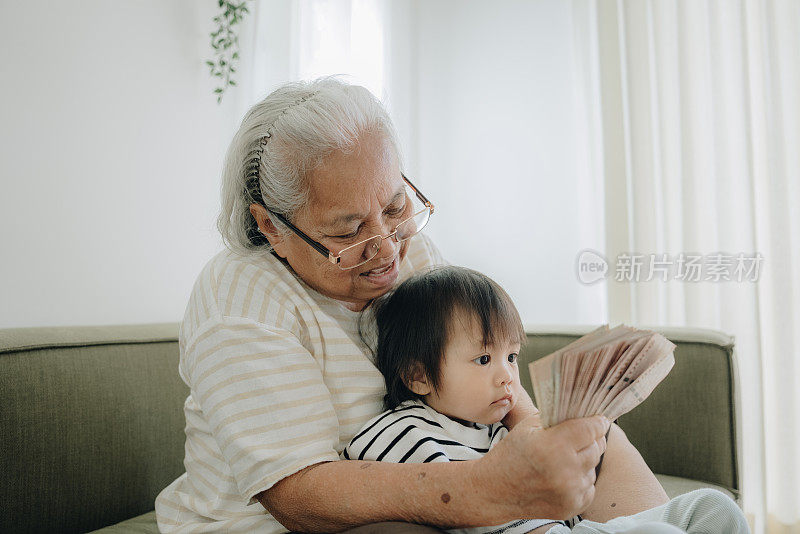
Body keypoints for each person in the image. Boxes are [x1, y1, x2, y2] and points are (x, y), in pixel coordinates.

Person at [155, 76, 674, 533]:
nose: (386, 247)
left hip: (450, 457)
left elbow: (478, 350)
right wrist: (492, 489)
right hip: (297, 523)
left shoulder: (412, 249)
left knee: (597, 438)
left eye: (395, 205)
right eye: (349, 230)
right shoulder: (241, 300)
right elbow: (299, 499)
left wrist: (537, 434)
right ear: (273, 227)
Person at [345, 266, 751, 534]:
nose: (507, 375)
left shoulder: (493, 428)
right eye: (484, 359)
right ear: (417, 375)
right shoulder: (403, 431)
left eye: (512, 356)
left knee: (714, 510)